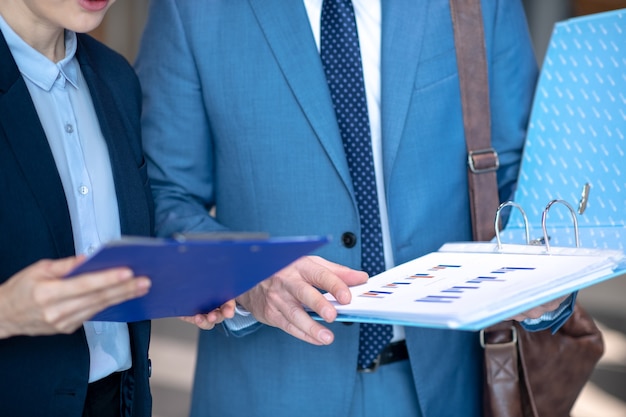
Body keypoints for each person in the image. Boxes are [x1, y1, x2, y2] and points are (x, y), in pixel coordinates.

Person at [136, 1, 574, 416]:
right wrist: (249, 274)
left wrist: (541, 278)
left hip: (444, 387)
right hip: (269, 387)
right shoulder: (192, 9)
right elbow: (162, 196)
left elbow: (525, 170)